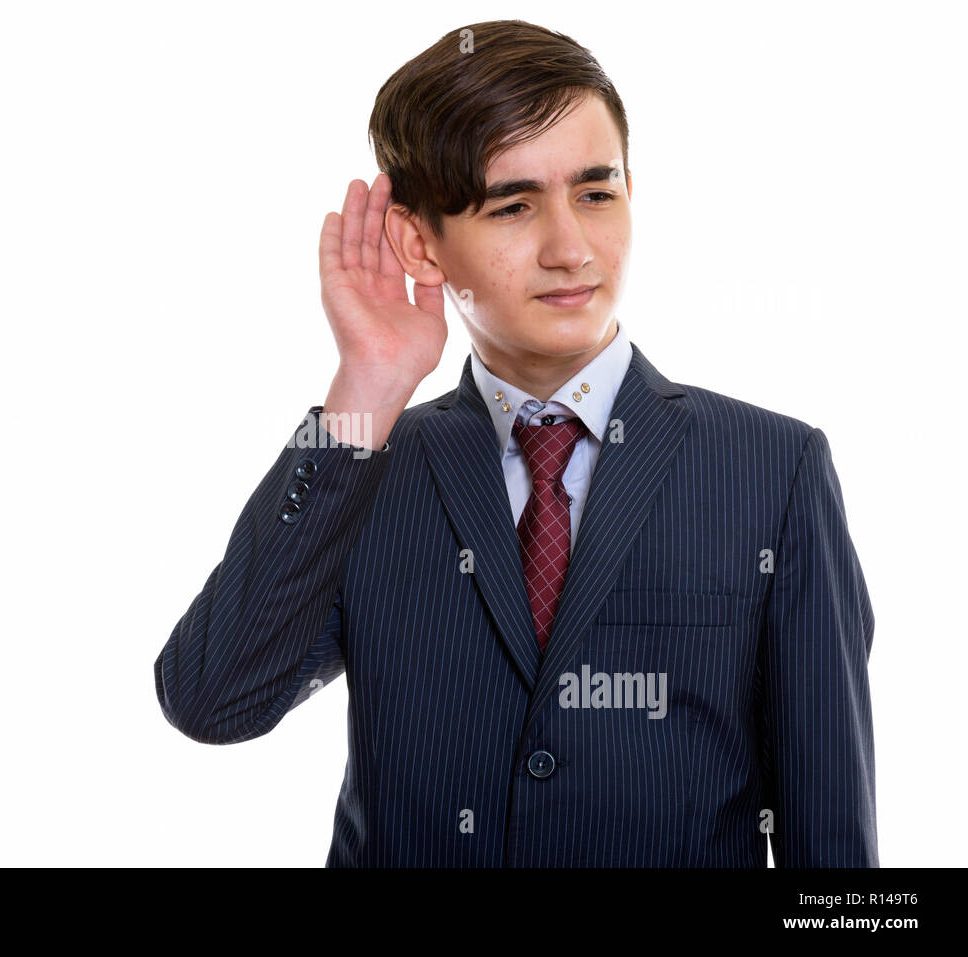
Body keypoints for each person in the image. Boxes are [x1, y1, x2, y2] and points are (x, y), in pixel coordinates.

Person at [154, 19, 877, 867]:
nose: (571, 248)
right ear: (421, 242)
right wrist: (366, 389)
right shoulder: (370, 468)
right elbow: (213, 699)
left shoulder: (771, 470)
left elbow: (833, 849)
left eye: (597, 193)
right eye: (514, 205)